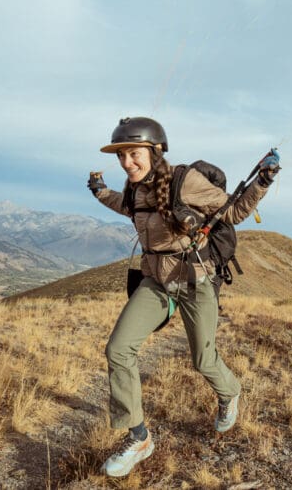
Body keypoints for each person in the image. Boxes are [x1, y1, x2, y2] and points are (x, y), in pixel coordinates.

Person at [87, 117, 280, 478]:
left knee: (203, 359)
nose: (126, 163)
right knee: (118, 350)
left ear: (155, 150)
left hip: (196, 283)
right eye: (121, 156)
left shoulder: (183, 181)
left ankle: (229, 393)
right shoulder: (134, 188)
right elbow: (126, 206)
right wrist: (99, 192)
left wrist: (263, 181)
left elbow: (234, 211)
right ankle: (139, 438)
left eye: (133, 154)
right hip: (156, 282)